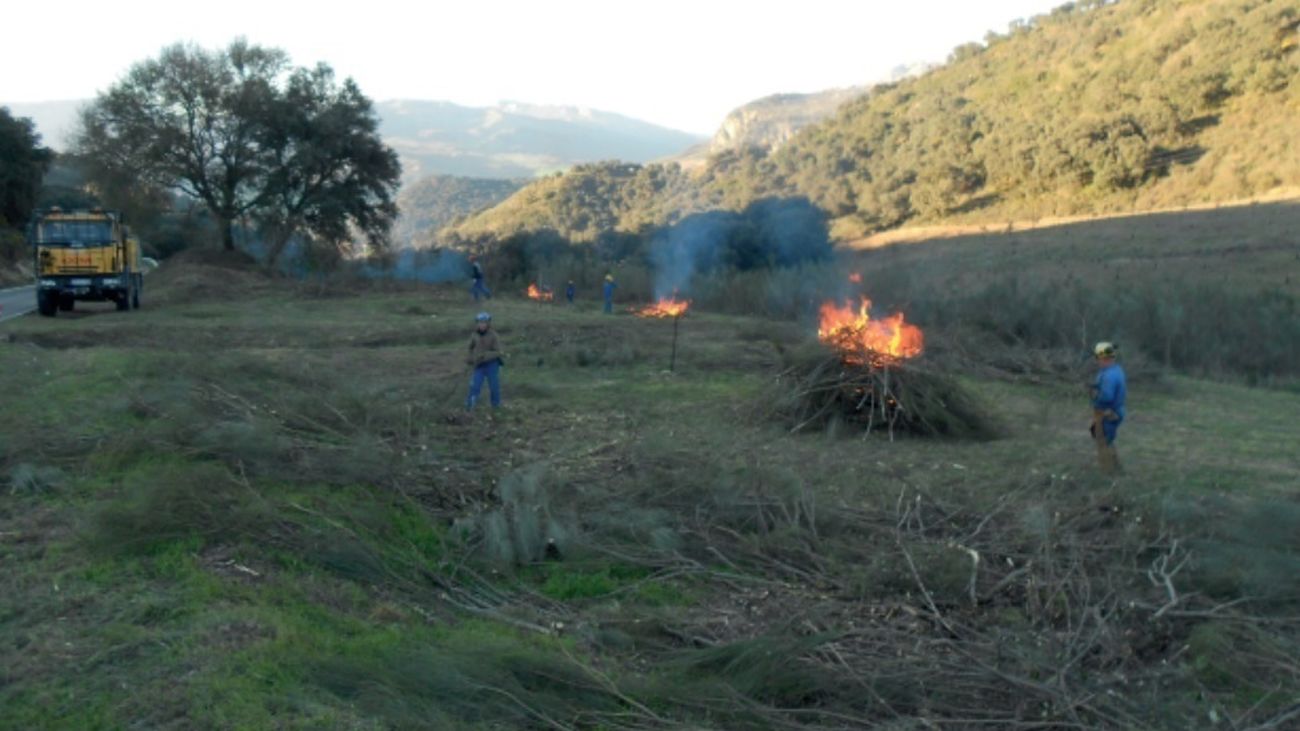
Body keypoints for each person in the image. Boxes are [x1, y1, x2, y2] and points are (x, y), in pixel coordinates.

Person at [1089, 341, 1127, 474]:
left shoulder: (1109, 375)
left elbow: (1107, 397)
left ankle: (1108, 473)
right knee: (1108, 440)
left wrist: (1095, 397)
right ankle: (1117, 469)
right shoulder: (1115, 370)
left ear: (1103, 358)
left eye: (1098, 358)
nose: (1097, 361)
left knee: (1103, 442)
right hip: (1116, 411)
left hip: (1108, 413)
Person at [466, 312, 503, 411]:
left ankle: (496, 407)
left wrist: (485, 356)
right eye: (480, 322)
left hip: (492, 364)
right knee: (475, 386)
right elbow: (470, 348)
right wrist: (470, 358)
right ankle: (469, 407)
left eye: (484, 323)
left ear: (488, 324)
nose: (482, 325)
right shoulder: (474, 335)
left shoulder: (493, 335)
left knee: (493, 387)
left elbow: (498, 352)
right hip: (479, 365)